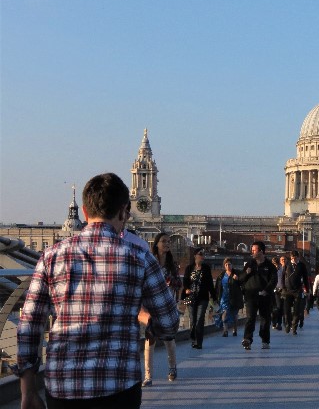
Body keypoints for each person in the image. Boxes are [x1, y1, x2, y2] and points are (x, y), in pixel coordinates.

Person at [15, 173, 179, 409]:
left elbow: (30, 325)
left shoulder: (51, 257)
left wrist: (28, 392)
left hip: (64, 387)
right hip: (119, 387)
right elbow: (170, 323)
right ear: (124, 212)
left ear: (84, 211)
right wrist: (143, 318)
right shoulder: (140, 257)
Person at [143, 233, 181, 386]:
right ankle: (148, 376)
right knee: (149, 341)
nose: (167, 244)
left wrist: (171, 281)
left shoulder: (172, 264)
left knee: (169, 340)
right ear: (156, 244)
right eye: (164, 241)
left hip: (167, 305)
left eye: (169, 241)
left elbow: (178, 283)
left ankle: (172, 368)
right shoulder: (150, 262)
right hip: (152, 305)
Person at [239, 241, 277, 350]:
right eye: (252, 251)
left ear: (261, 251)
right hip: (251, 295)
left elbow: (273, 280)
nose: (252, 252)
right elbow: (241, 278)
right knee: (250, 318)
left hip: (265, 296)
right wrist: (247, 273)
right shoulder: (249, 264)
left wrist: (266, 290)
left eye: (254, 250)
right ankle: (247, 339)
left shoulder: (269, 266)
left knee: (265, 319)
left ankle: (265, 340)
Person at [182, 248, 216, 350]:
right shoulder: (189, 268)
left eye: (203, 254)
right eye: (200, 254)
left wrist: (214, 296)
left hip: (203, 297)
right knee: (192, 320)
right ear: (195, 256)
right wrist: (187, 289)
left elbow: (210, 283)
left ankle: (199, 342)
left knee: (200, 319)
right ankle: (193, 338)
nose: (202, 256)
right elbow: (185, 281)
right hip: (191, 297)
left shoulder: (206, 268)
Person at [214, 257, 243, 337]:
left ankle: (235, 329)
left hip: (234, 297)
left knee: (234, 314)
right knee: (224, 312)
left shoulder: (237, 273)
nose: (228, 266)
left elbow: (243, 282)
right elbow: (217, 287)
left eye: (229, 264)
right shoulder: (221, 275)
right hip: (224, 297)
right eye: (226, 265)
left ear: (232, 265)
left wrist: (238, 279)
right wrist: (216, 297)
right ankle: (225, 330)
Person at [281, 250, 309, 335]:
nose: (294, 259)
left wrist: (307, 290)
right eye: (292, 258)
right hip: (288, 290)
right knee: (287, 309)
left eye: (295, 258)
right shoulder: (287, 265)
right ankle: (287, 324)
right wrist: (283, 288)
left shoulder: (301, 266)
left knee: (297, 311)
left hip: (297, 290)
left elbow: (305, 278)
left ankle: (294, 327)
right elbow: (282, 277)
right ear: (290, 258)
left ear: (298, 257)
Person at [272, 255, 286, 330]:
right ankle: (274, 322)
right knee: (275, 308)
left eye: (277, 264)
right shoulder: (271, 270)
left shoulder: (282, 269)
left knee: (280, 307)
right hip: (273, 290)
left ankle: (279, 323)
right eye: (274, 264)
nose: (276, 265)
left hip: (280, 290)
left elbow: (283, 279)